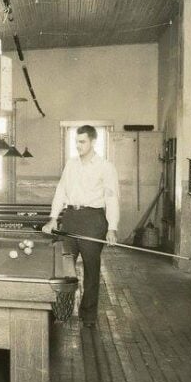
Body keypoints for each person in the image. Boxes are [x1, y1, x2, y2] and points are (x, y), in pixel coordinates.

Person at [41, 125, 120, 327]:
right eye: (76, 141)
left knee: (91, 269)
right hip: (70, 217)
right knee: (63, 267)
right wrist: (53, 218)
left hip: (93, 219)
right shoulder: (71, 164)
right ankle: (59, 311)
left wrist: (112, 228)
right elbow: (61, 191)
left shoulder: (105, 167)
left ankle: (88, 315)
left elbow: (112, 198)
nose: (78, 145)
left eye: (82, 141)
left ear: (93, 142)